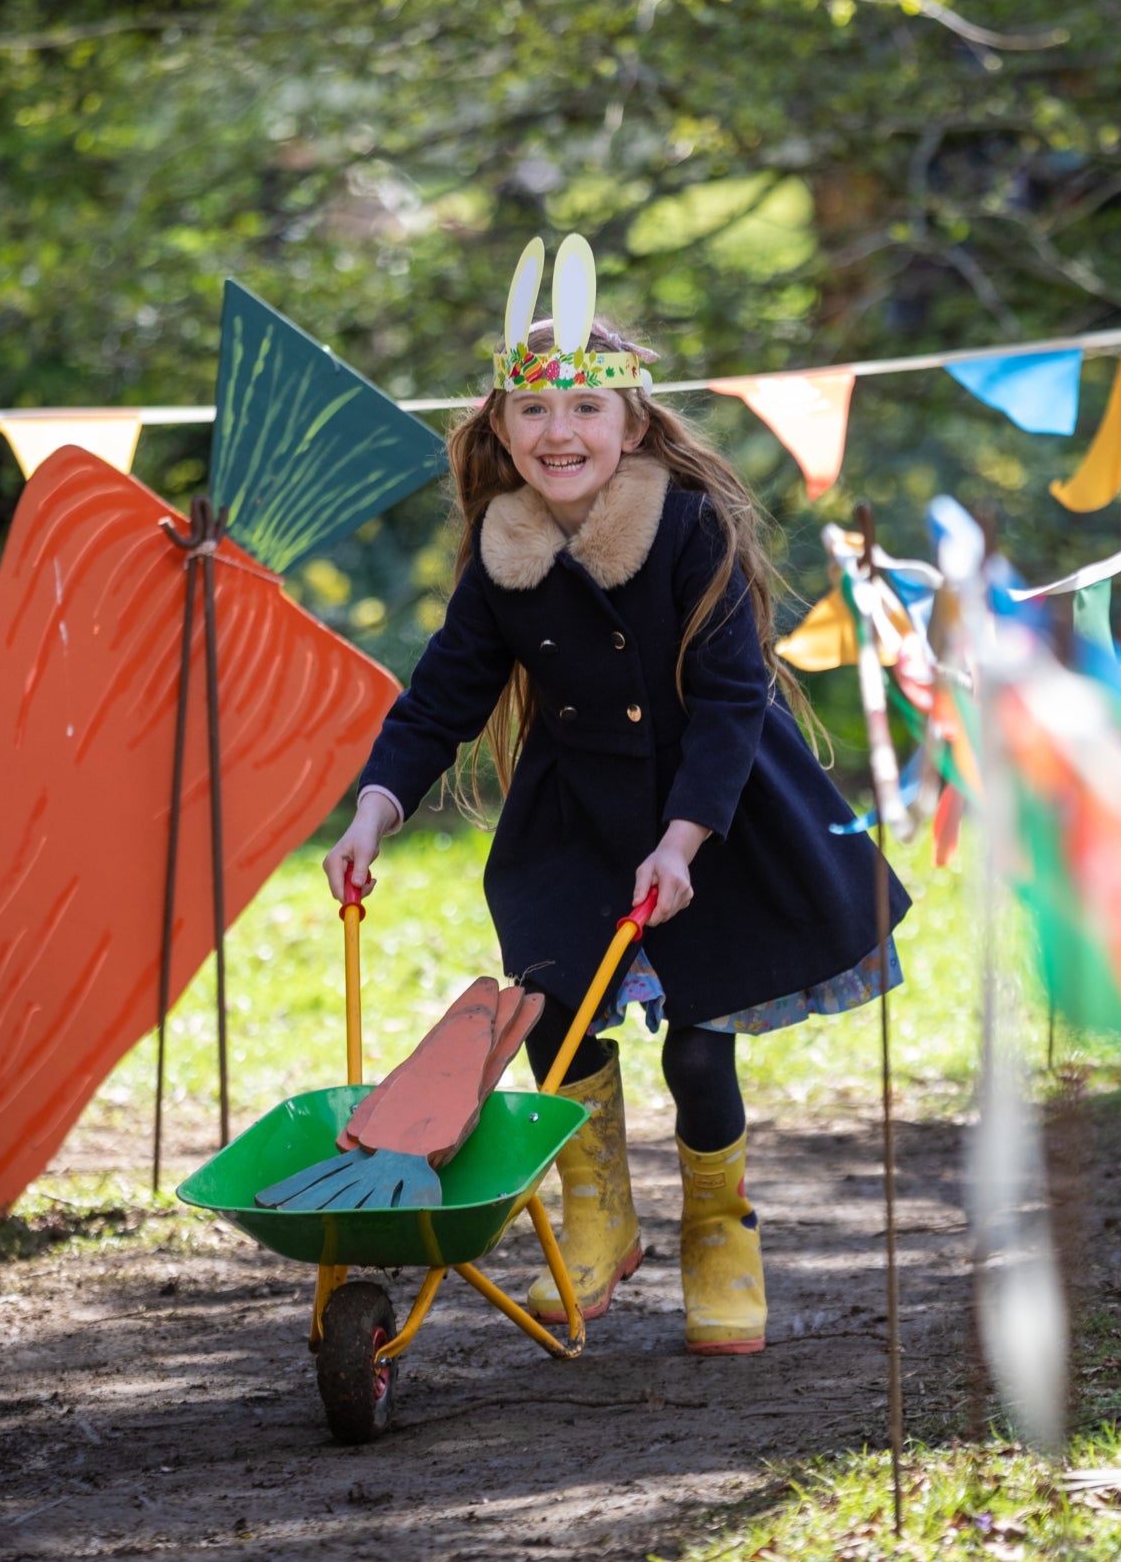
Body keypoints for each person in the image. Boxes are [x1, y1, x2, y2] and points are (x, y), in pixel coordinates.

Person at [325, 236, 910, 1356]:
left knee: (699, 1044)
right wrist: (373, 810)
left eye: (588, 412)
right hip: (575, 822)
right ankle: (600, 1219)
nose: (561, 434)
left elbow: (736, 696)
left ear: (631, 427)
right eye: (535, 416)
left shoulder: (692, 530)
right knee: (563, 1020)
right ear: (502, 432)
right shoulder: (503, 557)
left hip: (717, 808)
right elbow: (442, 697)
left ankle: (717, 1228)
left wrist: (686, 841)